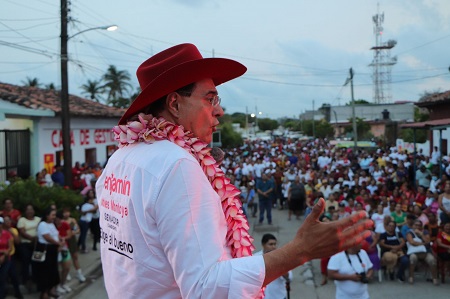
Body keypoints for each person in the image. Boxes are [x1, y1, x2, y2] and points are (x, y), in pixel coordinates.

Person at [96, 43, 372, 298]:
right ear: (175, 104)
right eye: (210, 99)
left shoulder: (121, 158)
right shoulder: (177, 164)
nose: (220, 111)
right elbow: (206, 287)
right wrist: (300, 250)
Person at [32, 208, 64, 299]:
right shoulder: (42, 224)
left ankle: (51, 290)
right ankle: (44, 293)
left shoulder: (52, 224)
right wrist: (58, 243)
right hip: (45, 250)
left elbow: (56, 234)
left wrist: (61, 239)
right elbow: (47, 237)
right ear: (47, 215)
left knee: (52, 271)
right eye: (52, 215)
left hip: (53, 250)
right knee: (44, 272)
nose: (54, 217)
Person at [254, 234, 292, 299]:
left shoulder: (281, 258)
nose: (273, 247)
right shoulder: (255, 258)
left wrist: (284, 272)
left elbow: (289, 278)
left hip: (278, 295)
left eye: (275, 244)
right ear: (263, 245)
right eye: (271, 244)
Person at [405, 219, 438, 285]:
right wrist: (423, 243)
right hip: (414, 252)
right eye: (415, 225)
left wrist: (421, 234)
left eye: (419, 225)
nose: (417, 227)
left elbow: (428, 241)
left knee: (432, 260)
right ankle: (411, 276)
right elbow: (412, 242)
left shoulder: (425, 232)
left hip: (425, 252)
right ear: (413, 225)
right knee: (412, 259)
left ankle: (434, 278)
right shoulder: (409, 232)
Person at [16, 204, 40, 289]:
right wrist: (32, 238)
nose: (30, 211)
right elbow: (22, 232)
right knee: (25, 262)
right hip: (25, 244)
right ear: (25, 211)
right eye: (28, 210)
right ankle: (25, 280)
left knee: (36, 262)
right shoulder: (22, 220)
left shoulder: (38, 219)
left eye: (31, 209)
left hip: (37, 244)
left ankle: (36, 280)